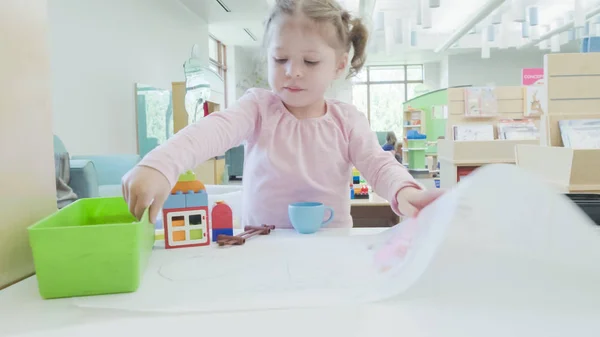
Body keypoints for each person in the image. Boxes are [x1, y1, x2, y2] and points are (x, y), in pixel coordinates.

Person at [122, 0, 444, 228]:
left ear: (340, 64)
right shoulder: (258, 108)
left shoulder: (347, 120)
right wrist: (162, 163)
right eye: (280, 59)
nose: (293, 72)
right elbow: (212, 130)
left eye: (310, 61)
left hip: (329, 250)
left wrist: (404, 190)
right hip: (262, 246)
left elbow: (378, 163)